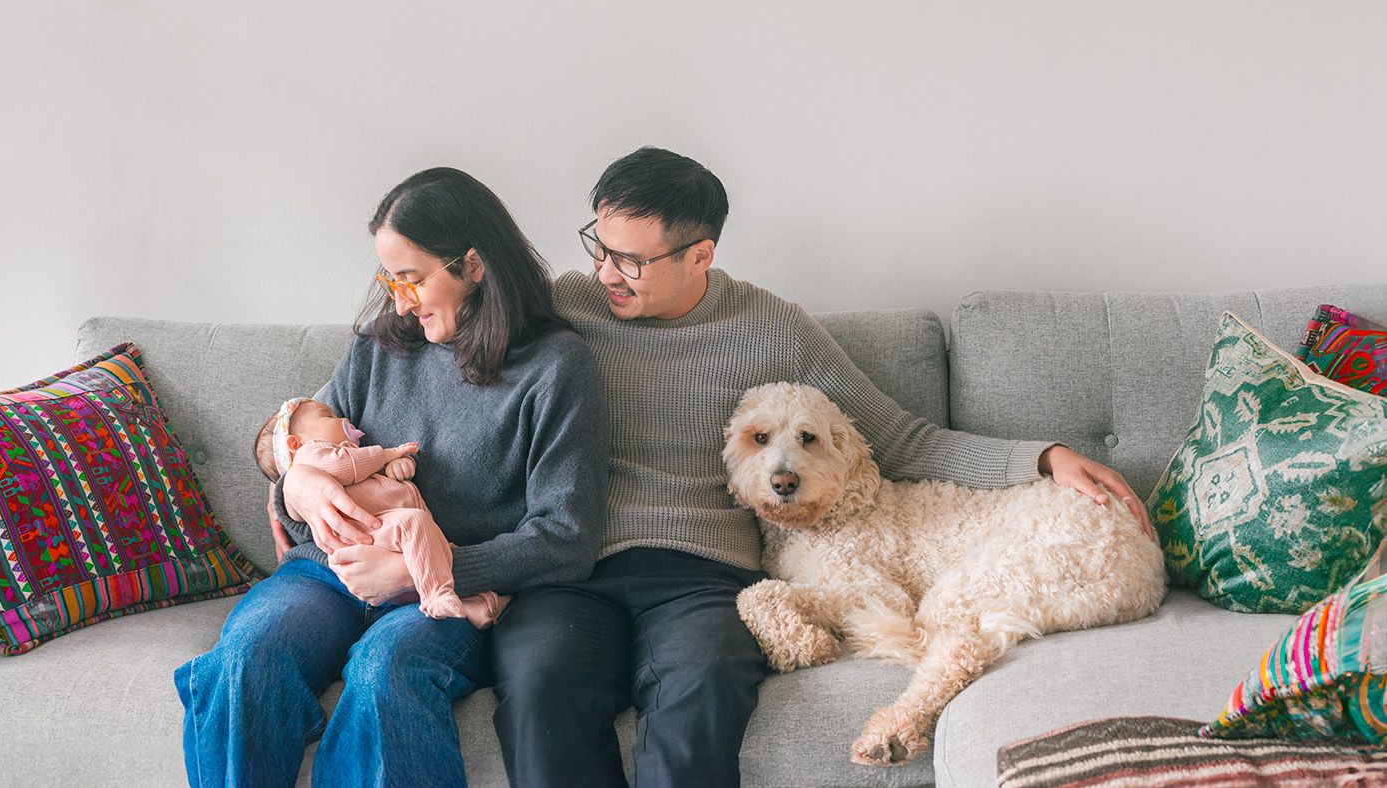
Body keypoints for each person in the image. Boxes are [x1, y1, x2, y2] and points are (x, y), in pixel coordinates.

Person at [489, 146, 1154, 788]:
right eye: (599, 246)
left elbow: (901, 438)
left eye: (631, 260)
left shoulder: (773, 326)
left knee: (703, 686)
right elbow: (458, 367)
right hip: (573, 568)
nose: (606, 272)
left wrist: (1043, 457)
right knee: (540, 684)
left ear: (700, 256)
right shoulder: (564, 309)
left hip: (704, 575)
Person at [175, 167, 609, 788]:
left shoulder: (557, 367)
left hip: (441, 591)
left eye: (413, 278)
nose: (400, 299)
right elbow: (293, 436)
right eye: (391, 279)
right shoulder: (381, 346)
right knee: (245, 658)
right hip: (328, 573)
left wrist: (426, 571)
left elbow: (568, 538)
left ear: (474, 266)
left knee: (384, 672)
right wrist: (293, 482)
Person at [255, 396, 508, 628]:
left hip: (386, 539)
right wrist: (388, 453)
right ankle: (436, 595)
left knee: (434, 553)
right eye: (329, 416)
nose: (344, 419)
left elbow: (370, 477)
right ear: (294, 443)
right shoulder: (314, 455)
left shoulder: (349, 460)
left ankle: (480, 606)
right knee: (416, 525)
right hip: (369, 534)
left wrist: (398, 466)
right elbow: (348, 464)